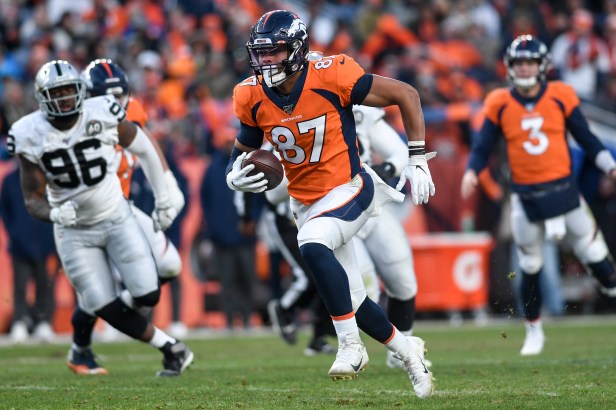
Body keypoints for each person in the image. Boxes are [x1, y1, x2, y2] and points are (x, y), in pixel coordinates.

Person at [226, 10, 434, 398]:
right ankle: (409, 353)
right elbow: (243, 149)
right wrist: (232, 173)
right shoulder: (250, 95)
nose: (266, 60)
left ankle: (350, 346)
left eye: (275, 51)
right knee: (353, 298)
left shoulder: (331, 73)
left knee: (312, 243)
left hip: (351, 186)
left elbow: (406, 94)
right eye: (261, 53)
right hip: (305, 201)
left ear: (297, 50)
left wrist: (417, 158)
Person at [7, 59, 193, 376]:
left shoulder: (110, 111)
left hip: (116, 210)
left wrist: (166, 190)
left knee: (150, 288)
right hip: (74, 228)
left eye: (70, 91)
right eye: (57, 93)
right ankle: (163, 345)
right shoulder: (28, 133)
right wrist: (55, 212)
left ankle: (95, 319)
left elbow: (145, 145)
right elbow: (32, 198)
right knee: (100, 299)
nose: (65, 99)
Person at [461, 35, 616, 356]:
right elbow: (483, 146)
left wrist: (609, 166)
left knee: (599, 262)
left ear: (542, 65)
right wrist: (472, 170)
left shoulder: (561, 94)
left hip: (566, 195)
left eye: (530, 62)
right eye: (519, 63)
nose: (525, 68)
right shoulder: (500, 101)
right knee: (530, 266)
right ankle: (534, 332)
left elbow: (586, 139)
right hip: (526, 199)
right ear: (510, 66)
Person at [61, 58, 186, 374]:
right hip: (87, 215)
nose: (114, 103)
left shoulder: (132, 111)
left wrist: (167, 184)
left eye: (119, 95)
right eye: (106, 96)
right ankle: (82, 347)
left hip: (122, 207)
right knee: (94, 295)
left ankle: (119, 310)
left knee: (170, 265)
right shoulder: (78, 121)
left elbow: (144, 142)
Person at [0, 161, 57, 344]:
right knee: (20, 285)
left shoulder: (47, 176)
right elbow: (5, 209)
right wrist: (14, 232)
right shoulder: (10, 179)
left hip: (45, 241)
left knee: (46, 284)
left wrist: (51, 233)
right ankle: (20, 321)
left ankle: (44, 321)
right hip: (20, 243)